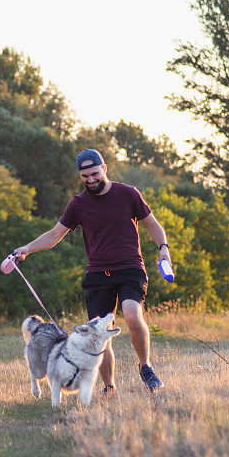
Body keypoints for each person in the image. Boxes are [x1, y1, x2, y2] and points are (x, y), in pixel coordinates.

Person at [13, 148, 172, 392]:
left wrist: (163, 248)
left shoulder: (128, 194)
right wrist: (26, 248)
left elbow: (153, 225)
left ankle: (145, 366)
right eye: (85, 176)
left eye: (95, 174)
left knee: (131, 313)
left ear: (104, 168)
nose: (90, 180)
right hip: (98, 274)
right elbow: (55, 234)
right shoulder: (78, 204)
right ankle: (109, 386)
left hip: (130, 268)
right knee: (100, 333)